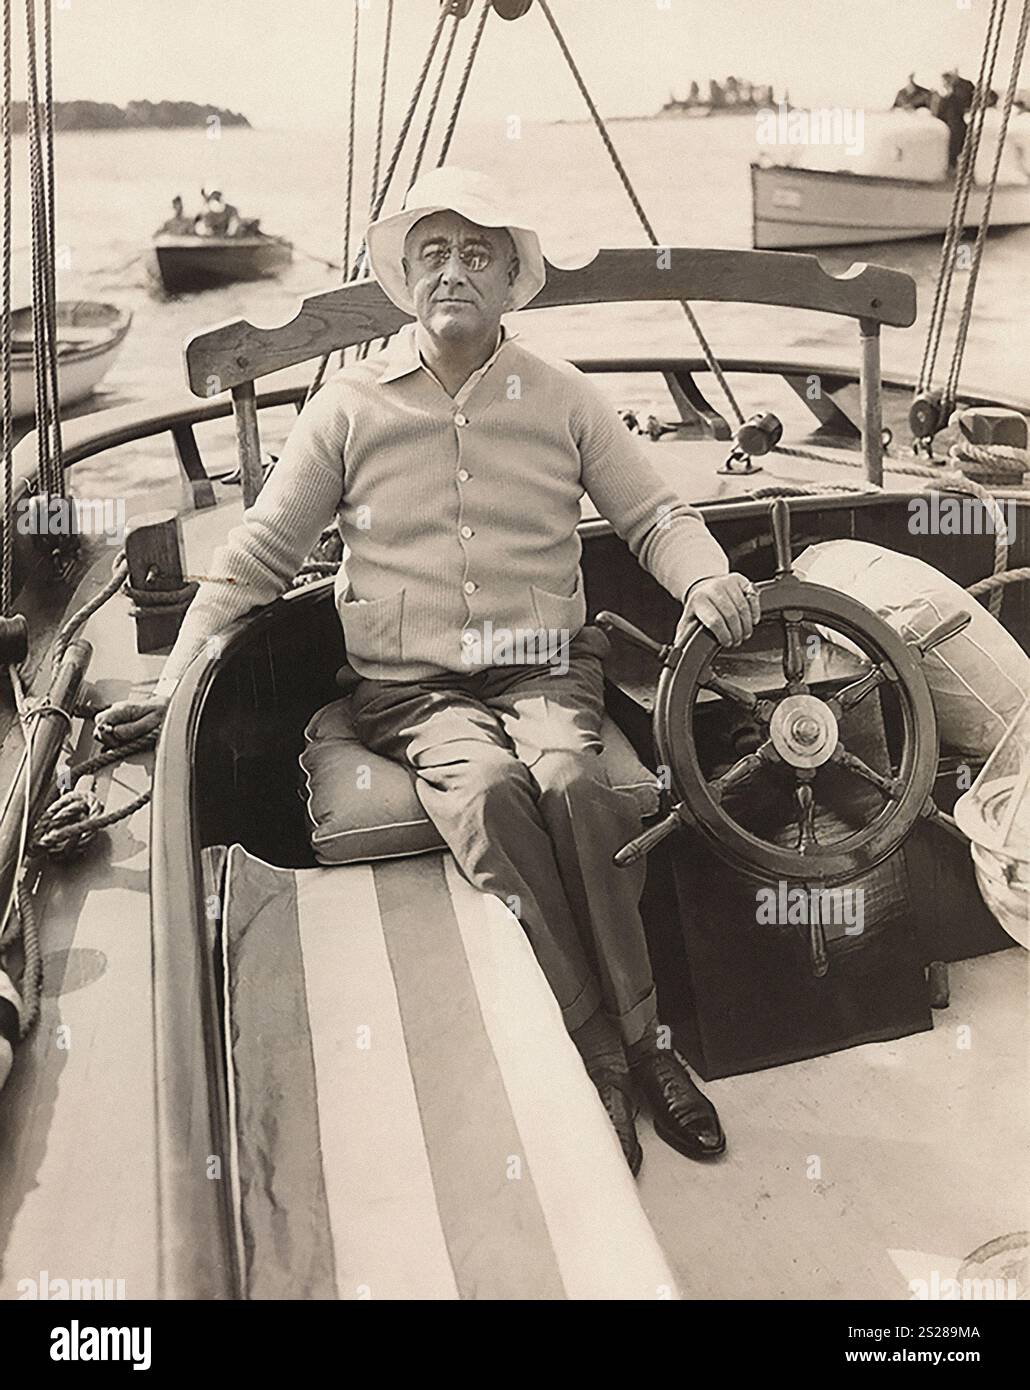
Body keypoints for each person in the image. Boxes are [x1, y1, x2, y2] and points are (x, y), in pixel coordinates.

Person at [98, 167, 760, 1176]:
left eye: (477, 254)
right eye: (434, 255)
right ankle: (600, 1053)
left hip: (545, 668)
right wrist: (172, 680)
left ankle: (644, 1042)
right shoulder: (348, 407)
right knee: (491, 793)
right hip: (411, 691)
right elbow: (256, 556)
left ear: (509, 280)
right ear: (409, 280)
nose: (454, 271)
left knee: (576, 782)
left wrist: (707, 582)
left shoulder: (562, 394)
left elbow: (656, 517)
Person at [935, 70, 976, 171]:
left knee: (958, 142)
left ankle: (957, 166)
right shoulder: (943, 95)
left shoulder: (956, 94)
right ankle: (953, 165)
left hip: (956, 122)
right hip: (949, 122)